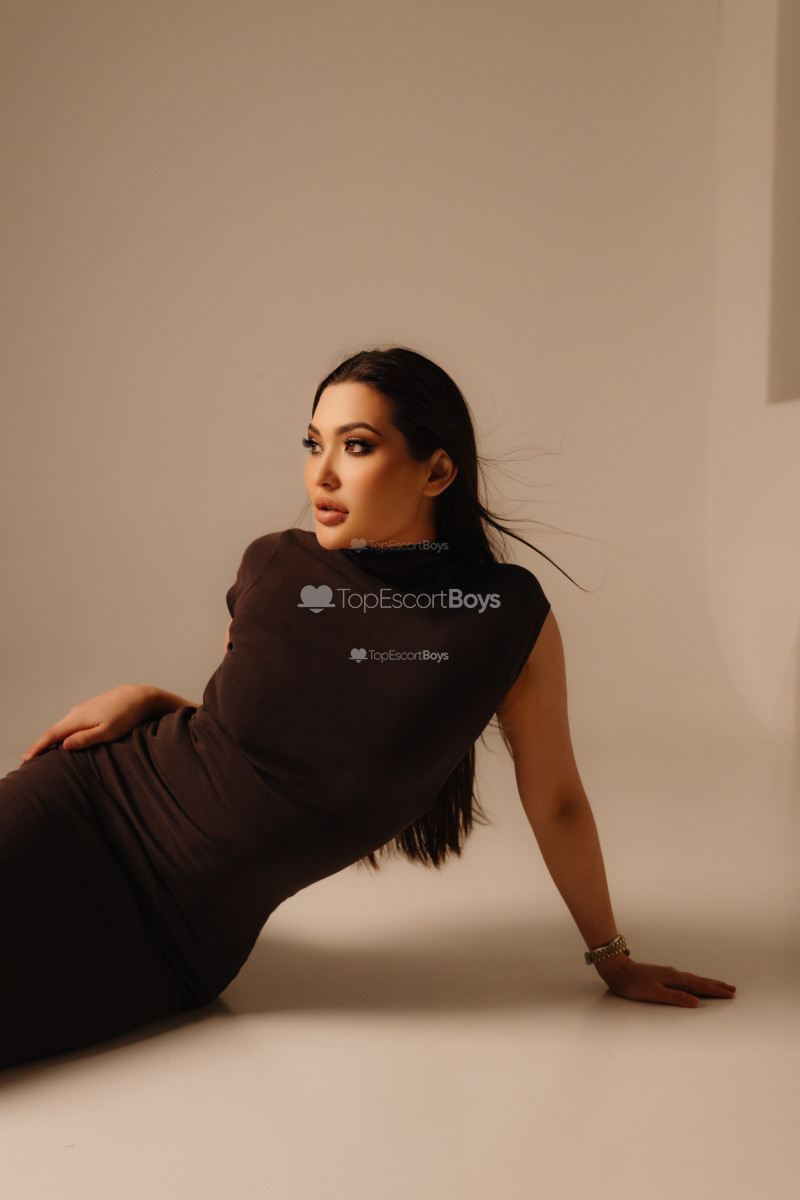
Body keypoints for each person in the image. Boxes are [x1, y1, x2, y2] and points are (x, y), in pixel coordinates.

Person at [1, 346, 735, 1070]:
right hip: (83, 808)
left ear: (437, 471)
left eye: (355, 446)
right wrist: (154, 700)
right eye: (313, 444)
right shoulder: (274, 563)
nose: (321, 473)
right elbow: (242, 735)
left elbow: (557, 799)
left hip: (180, 940)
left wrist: (613, 960)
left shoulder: (502, 618)